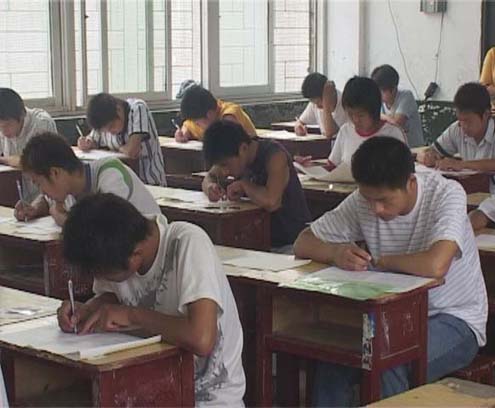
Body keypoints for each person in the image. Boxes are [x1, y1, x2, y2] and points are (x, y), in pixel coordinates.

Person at [294, 137, 487, 406]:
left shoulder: (447, 194)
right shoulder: (365, 199)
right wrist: (335, 253)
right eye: (369, 199)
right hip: (390, 318)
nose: (376, 209)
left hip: (455, 319)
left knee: (390, 360)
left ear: (410, 182)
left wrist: (381, 261)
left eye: (384, 200)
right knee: (334, 361)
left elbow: (436, 265)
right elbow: (303, 242)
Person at [57, 193, 245, 407]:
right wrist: (88, 309)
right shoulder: (118, 244)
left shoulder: (188, 243)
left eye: (102, 274)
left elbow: (201, 339)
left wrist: (131, 316)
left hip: (209, 400)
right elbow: (111, 296)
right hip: (152, 389)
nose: (99, 278)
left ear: (135, 256)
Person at [201, 120, 310, 251]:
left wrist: (245, 185)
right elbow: (209, 177)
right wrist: (210, 187)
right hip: (256, 243)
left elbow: (272, 202)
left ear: (243, 148)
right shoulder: (231, 156)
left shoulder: (275, 155)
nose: (224, 172)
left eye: (225, 165)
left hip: (290, 244)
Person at [14, 132, 160, 226]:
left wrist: (64, 220)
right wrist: (34, 209)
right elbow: (47, 200)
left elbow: (108, 230)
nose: (42, 191)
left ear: (55, 173)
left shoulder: (112, 174)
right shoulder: (67, 186)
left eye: (39, 183)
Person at [417, 82, 495, 192]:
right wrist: (426, 157)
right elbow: (429, 151)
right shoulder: (457, 128)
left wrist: (462, 165)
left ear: (486, 114)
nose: (463, 126)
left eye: (468, 121)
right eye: (460, 120)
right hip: (473, 192)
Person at [80, 93, 166, 186]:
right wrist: (86, 143)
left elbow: (132, 151)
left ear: (118, 109)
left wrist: (118, 148)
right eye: (106, 131)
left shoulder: (137, 109)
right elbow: (92, 140)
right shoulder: (104, 122)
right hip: (123, 185)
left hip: (150, 183)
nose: (110, 132)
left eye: (111, 126)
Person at [328, 76, 406, 167]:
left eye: (361, 115)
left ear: (374, 111)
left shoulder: (392, 133)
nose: (355, 120)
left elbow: (404, 169)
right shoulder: (345, 131)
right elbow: (332, 165)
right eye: (350, 114)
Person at [0, 87, 57, 200]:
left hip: (46, 198)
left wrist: (3, 159)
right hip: (20, 198)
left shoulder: (41, 124)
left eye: (7, 125)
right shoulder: (3, 128)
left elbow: (32, 163)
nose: (4, 132)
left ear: (22, 115)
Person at [176, 85, 257, 142]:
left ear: (209, 114)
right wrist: (183, 133)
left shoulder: (230, 115)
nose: (196, 125)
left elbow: (227, 142)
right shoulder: (203, 115)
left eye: (197, 123)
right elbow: (188, 125)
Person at [371, 64, 424, 147]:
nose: (377, 95)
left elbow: (396, 124)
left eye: (381, 91)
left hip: (413, 149)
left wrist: (379, 117)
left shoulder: (406, 96)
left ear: (393, 89)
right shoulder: (379, 102)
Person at [295, 72, 347, 139]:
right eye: (314, 103)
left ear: (330, 93)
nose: (317, 106)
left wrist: (326, 105)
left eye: (318, 102)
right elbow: (300, 121)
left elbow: (330, 133)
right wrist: (298, 126)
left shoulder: (346, 104)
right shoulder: (314, 104)